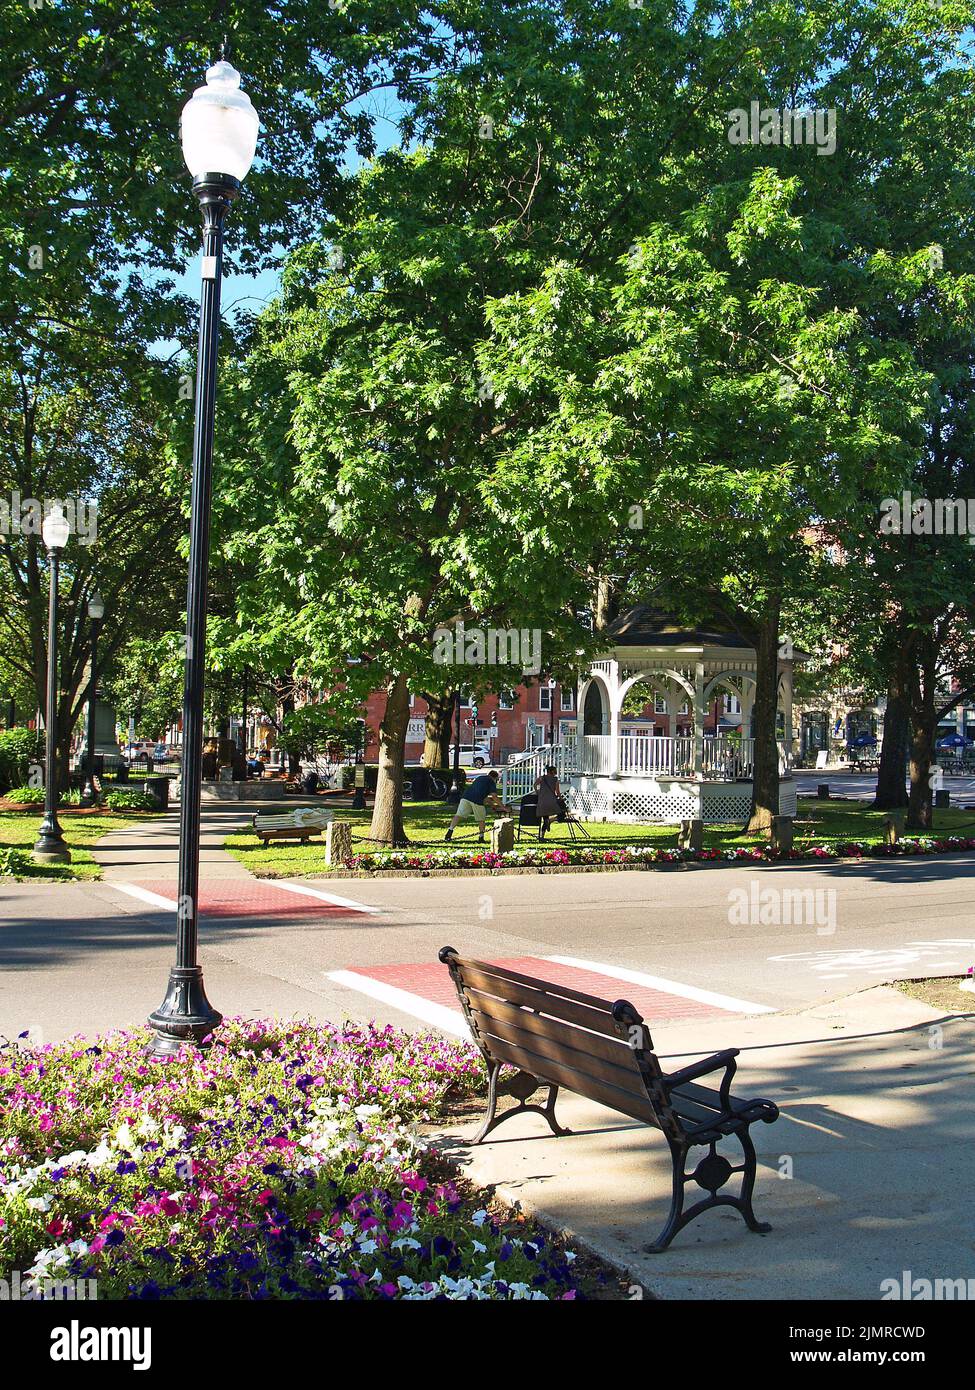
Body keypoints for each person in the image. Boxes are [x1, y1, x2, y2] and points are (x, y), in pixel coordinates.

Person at [445, 769, 510, 843]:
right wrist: (503, 807)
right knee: (481, 819)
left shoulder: (480, 778)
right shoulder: (491, 782)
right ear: (494, 778)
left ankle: (450, 831)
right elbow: (494, 796)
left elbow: (484, 796)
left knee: (458, 815)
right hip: (477, 801)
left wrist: (492, 805)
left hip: (466, 797)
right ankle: (481, 837)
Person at [533, 764, 564, 839]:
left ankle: (542, 836)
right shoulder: (555, 780)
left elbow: (534, 785)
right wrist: (560, 798)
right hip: (552, 801)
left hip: (542, 801)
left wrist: (538, 792)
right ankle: (551, 820)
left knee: (545, 818)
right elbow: (557, 792)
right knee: (562, 814)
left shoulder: (541, 778)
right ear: (553, 772)